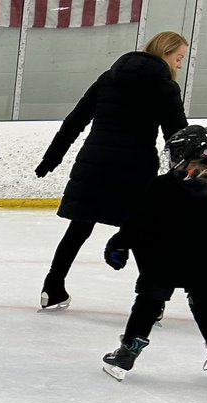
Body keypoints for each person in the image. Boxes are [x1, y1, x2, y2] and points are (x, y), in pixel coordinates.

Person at [34, 31, 189, 310]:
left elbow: (74, 121)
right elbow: (177, 136)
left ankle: (52, 287)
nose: (179, 65)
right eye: (178, 59)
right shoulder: (165, 86)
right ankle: (151, 304)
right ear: (165, 53)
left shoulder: (109, 78)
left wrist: (51, 159)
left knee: (79, 227)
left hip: (94, 163)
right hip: (135, 168)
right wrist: (190, 172)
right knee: (142, 231)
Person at [100, 125, 207, 385]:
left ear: (183, 152)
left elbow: (138, 223)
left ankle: (125, 357)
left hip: (163, 260)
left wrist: (118, 244)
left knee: (148, 305)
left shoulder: (161, 186)